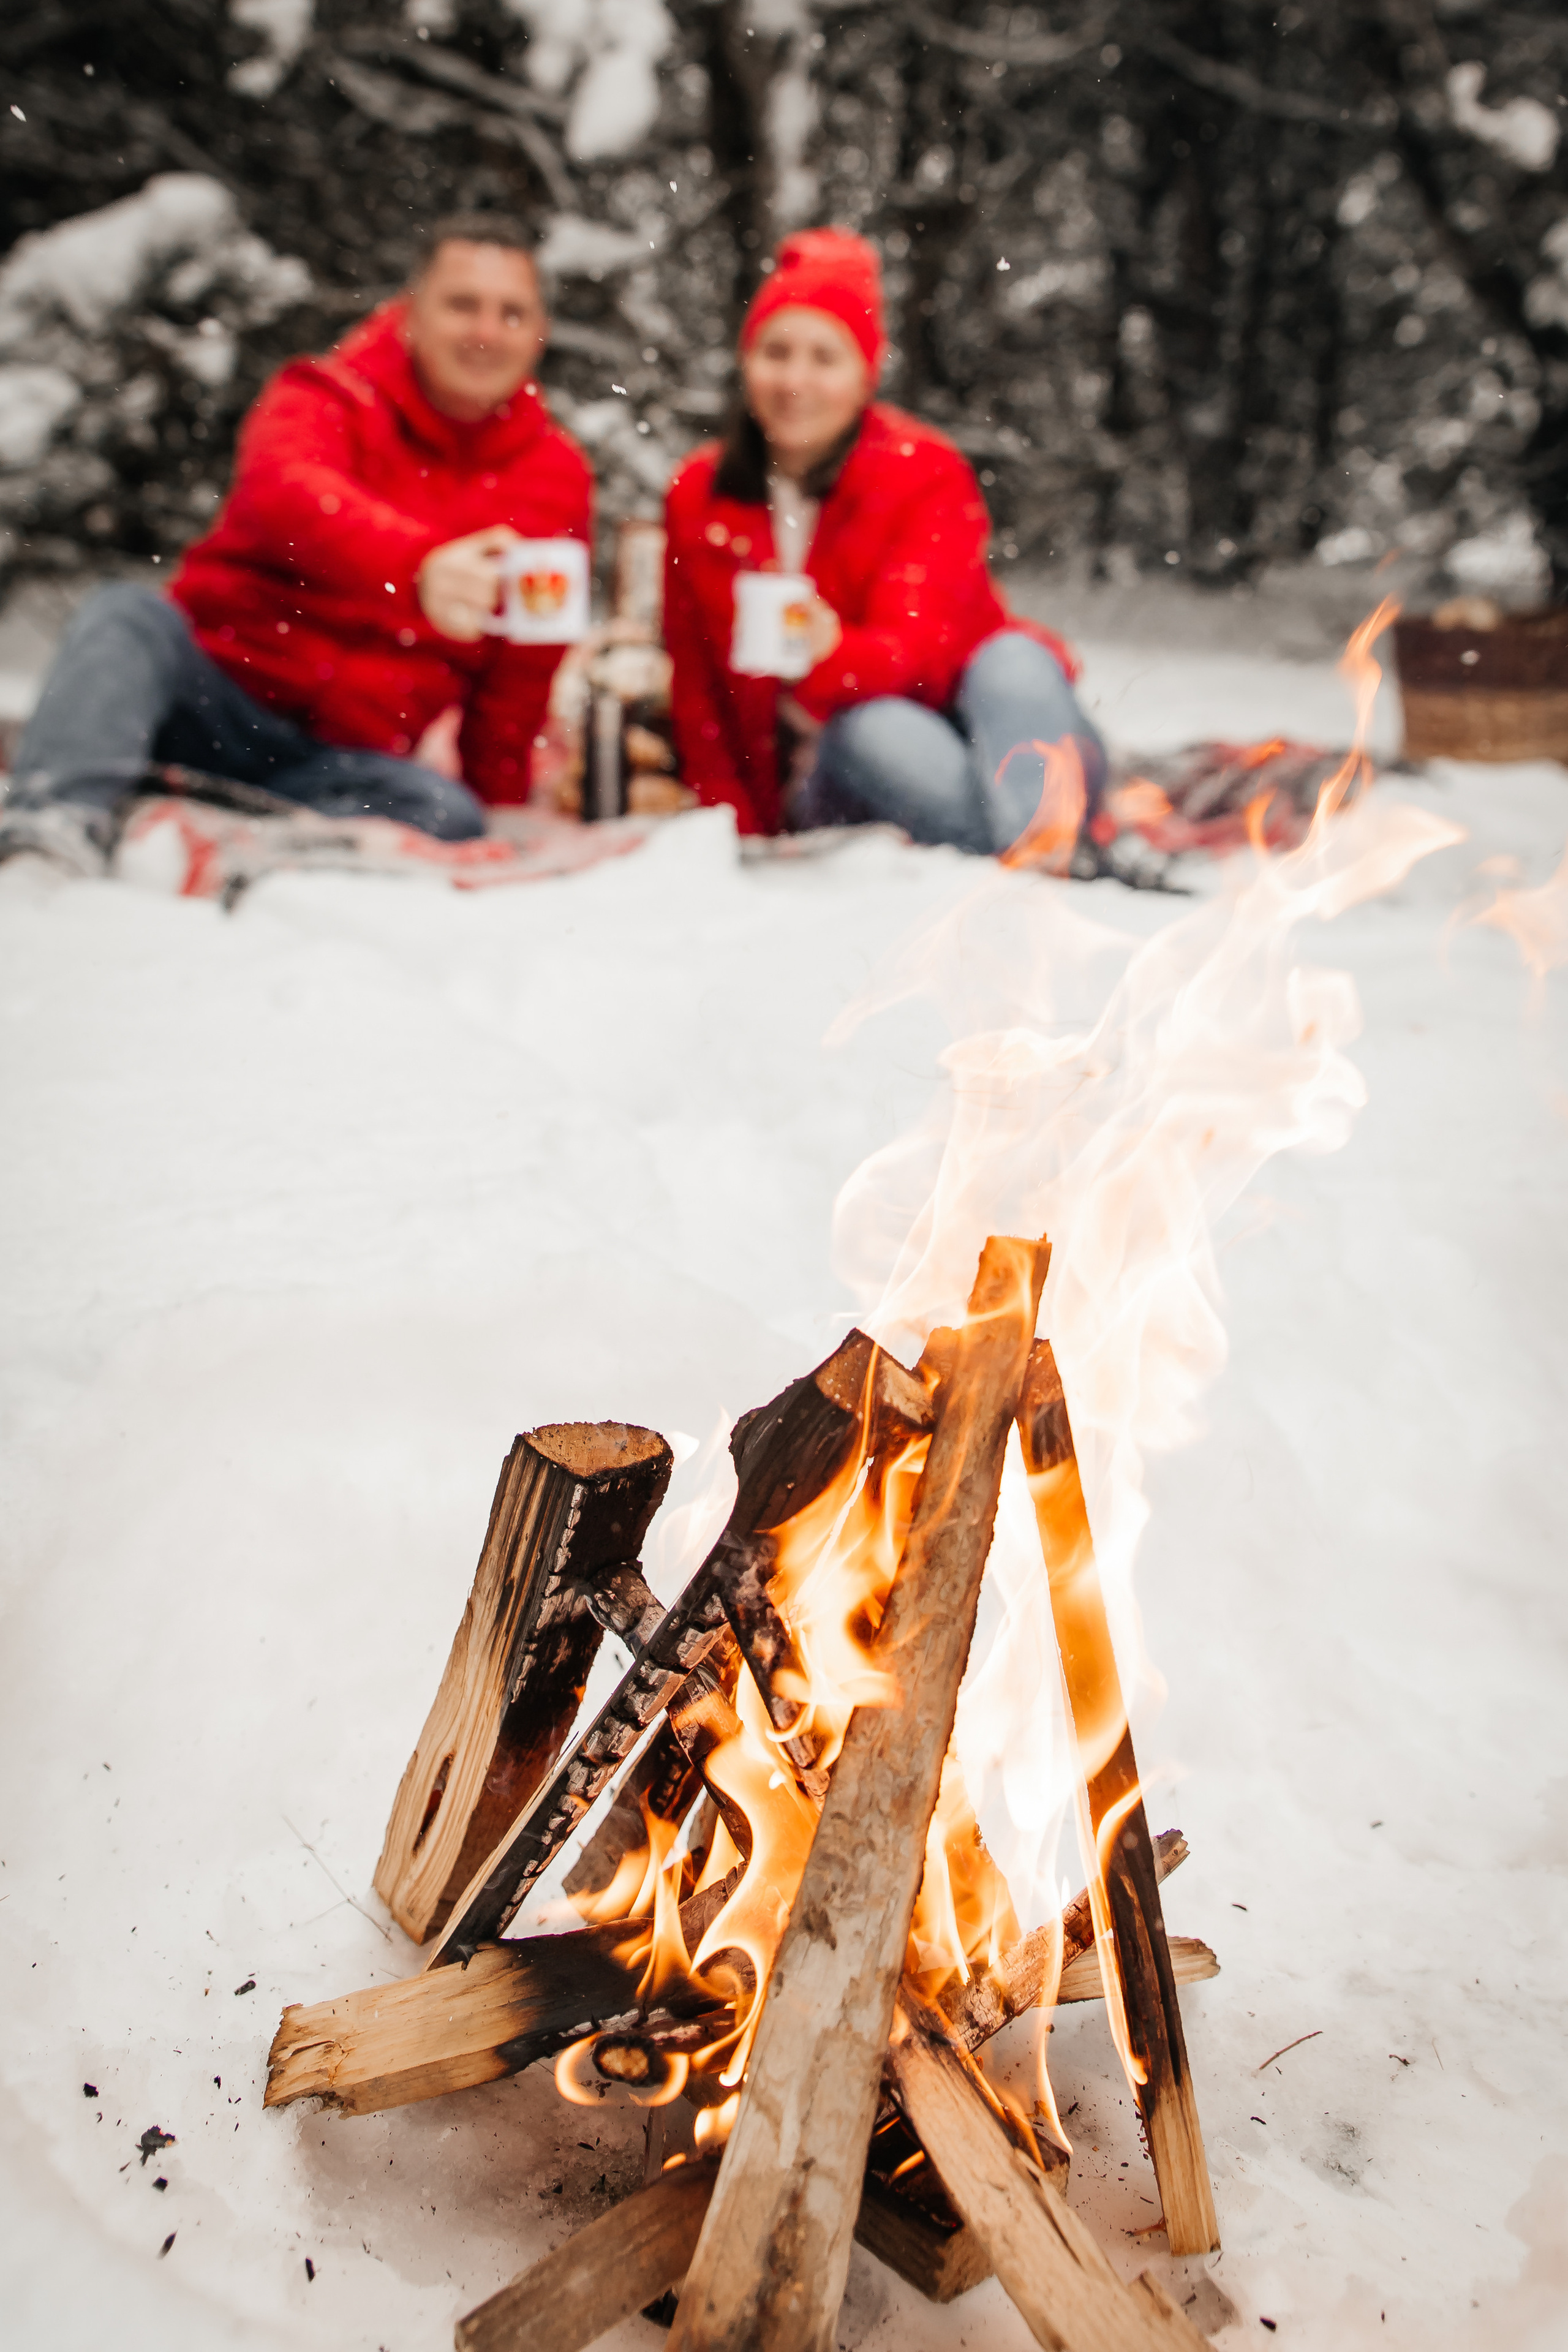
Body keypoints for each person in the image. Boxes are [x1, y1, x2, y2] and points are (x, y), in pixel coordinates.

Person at [2, 214, 590, 873]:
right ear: (412, 314)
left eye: (511, 314)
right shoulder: (322, 395)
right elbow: (286, 495)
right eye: (462, 305)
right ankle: (49, 835)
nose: (486, 332)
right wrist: (416, 567)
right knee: (124, 618)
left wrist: (496, 804)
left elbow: (521, 669)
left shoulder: (557, 480)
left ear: (539, 333)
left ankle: (232, 838)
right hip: (209, 700)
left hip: (341, 763)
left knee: (446, 812)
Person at [663, 228, 1107, 863]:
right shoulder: (699, 495)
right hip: (838, 771)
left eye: (824, 357)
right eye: (776, 352)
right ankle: (1045, 855)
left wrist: (830, 653)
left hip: (983, 726)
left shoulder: (922, 471)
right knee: (871, 728)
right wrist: (735, 834)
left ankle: (1037, 845)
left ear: (864, 373)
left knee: (1012, 659)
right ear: (746, 361)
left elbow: (917, 655)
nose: (795, 379)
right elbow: (698, 688)